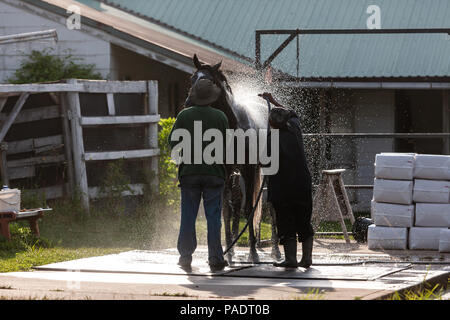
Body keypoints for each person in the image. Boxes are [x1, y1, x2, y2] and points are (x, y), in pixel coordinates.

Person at [168, 79, 229, 272]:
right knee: (213, 217)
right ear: (213, 97)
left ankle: (185, 256)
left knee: (188, 215)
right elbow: (226, 145)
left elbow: (173, 142)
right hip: (214, 174)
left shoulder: (184, 115)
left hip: (190, 173)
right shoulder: (221, 117)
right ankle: (215, 258)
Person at [259, 92, 314, 268]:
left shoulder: (272, 138)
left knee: (286, 222)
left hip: (283, 189)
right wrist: (274, 100)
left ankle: (290, 259)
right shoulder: (295, 129)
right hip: (303, 184)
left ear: (271, 123)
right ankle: (306, 259)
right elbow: (292, 113)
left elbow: (263, 162)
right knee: (304, 221)